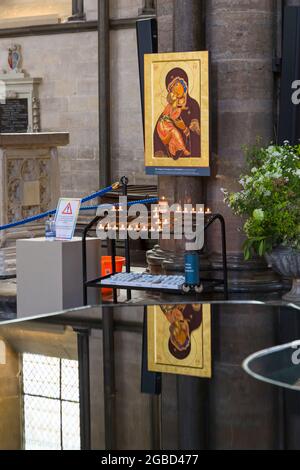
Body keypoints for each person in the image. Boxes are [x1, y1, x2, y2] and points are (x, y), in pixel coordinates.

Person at [154, 68, 201, 160]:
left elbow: (199, 136)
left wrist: (184, 128)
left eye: (176, 84)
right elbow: (157, 135)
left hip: (190, 159)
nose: (174, 89)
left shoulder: (193, 105)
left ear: (184, 84)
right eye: (171, 88)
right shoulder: (170, 107)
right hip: (171, 156)